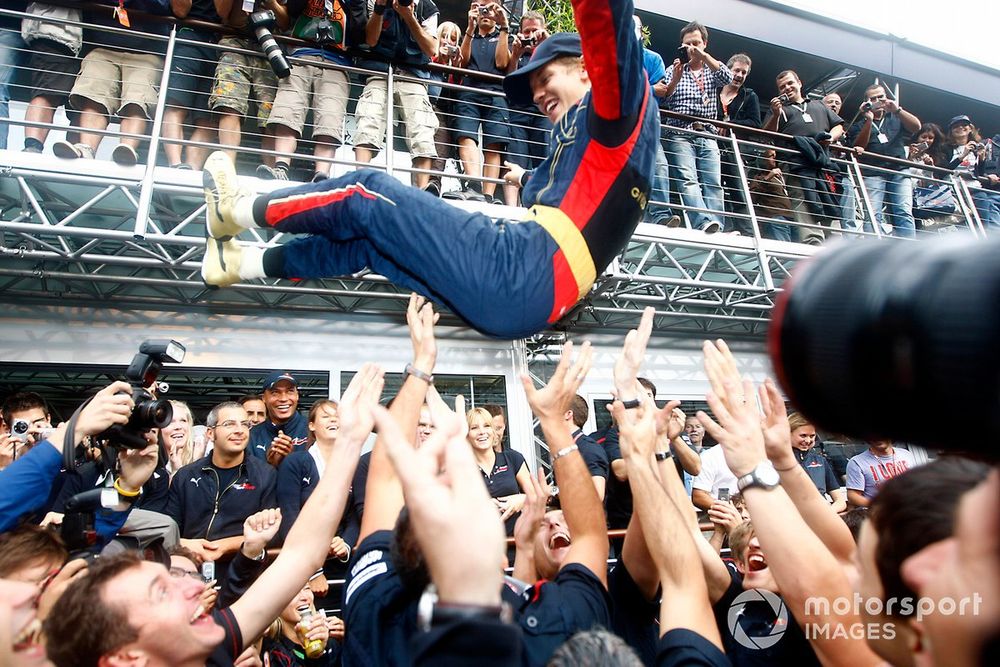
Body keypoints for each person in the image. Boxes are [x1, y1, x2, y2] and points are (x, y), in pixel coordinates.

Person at [201, 0, 659, 341]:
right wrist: (519, 179)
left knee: (367, 193)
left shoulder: (619, 104)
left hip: (525, 268)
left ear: (588, 69)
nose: (538, 95)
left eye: (545, 79)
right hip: (527, 303)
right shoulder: (597, 150)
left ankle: (238, 210)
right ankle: (241, 263)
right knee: (371, 246)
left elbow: (604, 17)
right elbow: (552, 186)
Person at [43, 364, 385, 667]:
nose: (196, 590)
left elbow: (302, 553)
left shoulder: (209, 647)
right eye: (165, 589)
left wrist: (350, 442)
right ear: (128, 658)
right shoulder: (197, 648)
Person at [51, 0, 171, 165]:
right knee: (94, 97)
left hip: (147, 51)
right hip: (103, 47)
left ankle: (127, 150)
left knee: (137, 101)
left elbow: (164, 6)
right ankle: (86, 148)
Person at [164, 401, 278, 571]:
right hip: (190, 568)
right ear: (210, 433)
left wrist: (224, 546)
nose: (239, 430)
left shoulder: (264, 475)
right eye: (229, 424)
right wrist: (186, 543)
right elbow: (169, 526)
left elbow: (272, 534)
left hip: (243, 569)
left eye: (244, 424)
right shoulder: (186, 475)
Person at [256, 0, 356, 182]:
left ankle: (321, 176)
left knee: (329, 120)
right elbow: (290, 14)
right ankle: (280, 168)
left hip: (337, 61)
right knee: (287, 112)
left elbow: (361, 28)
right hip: (300, 54)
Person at [352, 0, 440, 190]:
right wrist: (379, 9)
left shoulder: (427, 7)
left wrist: (409, 16)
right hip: (379, 70)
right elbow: (371, 40)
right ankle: (360, 180)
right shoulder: (375, 1)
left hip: (413, 74)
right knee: (369, 119)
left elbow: (431, 49)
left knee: (422, 130)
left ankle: (423, 188)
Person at [659, 21, 734, 233]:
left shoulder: (711, 67)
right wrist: (676, 76)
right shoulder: (673, 68)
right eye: (687, 44)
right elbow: (666, 96)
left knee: (713, 182)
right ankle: (703, 222)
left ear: (705, 43)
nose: (691, 48)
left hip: (707, 131)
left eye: (696, 43)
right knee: (687, 179)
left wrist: (702, 57)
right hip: (680, 132)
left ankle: (717, 226)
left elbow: (727, 78)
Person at [762, 70, 845, 244]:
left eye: (790, 83)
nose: (787, 88)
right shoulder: (779, 110)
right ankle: (812, 243)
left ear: (799, 82)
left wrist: (830, 137)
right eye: (782, 87)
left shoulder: (819, 105)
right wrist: (776, 114)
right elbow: (768, 135)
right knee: (802, 199)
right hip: (795, 165)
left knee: (828, 199)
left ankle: (834, 245)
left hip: (823, 163)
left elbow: (839, 126)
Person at [453, 1, 510, 202]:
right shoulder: (469, 35)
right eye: (480, 8)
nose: (485, 13)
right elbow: (462, 62)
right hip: (469, 91)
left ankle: (487, 195)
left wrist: (503, 27)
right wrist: (470, 27)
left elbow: (503, 63)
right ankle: (473, 185)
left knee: (493, 143)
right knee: (466, 135)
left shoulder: (502, 34)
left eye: (490, 8)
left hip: (495, 93)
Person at [848, 84, 921, 238]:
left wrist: (897, 109)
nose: (877, 101)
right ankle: (874, 251)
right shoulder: (858, 125)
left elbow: (916, 127)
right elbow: (858, 146)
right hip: (873, 172)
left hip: (899, 170)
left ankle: (909, 251)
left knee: (903, 211)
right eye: (872, 98)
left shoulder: (895, 117)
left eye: (881, 96)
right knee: (873, 214)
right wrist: (868, 120)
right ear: (866, 102)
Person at [18, 3, 82, 155]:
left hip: (84, 39)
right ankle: (33, 148)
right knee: (47, 92)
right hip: (55, 32)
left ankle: (77, 156)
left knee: (85, 102)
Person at [502, 10, 550, 206]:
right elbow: (508, 79)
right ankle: (512, 209)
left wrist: (545, 46)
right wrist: (516, 54)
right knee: (515, 159)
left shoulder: (549, 51)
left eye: (535, 31)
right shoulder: (517, 51)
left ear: (543, 30)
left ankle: (544, 205)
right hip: (518, 112)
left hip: (543, 113)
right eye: (526, 31)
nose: (530, 35)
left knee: (546, 160)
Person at [467, 406, 529, 534]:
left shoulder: (513, 459)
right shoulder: (461, 468)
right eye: (474, 428)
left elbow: (537, 497)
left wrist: (522, 499)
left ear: (493, 431)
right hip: (478, 546)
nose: (482, 432)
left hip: (516, 544)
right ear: (467, 435)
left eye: (487, 426)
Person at [786, 412, 845, 512]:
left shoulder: (820, 460)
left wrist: (828, 513)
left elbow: (840, 501)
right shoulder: (777, 462)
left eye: (812, 436)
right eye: (803, 435)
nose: (808, 440)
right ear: (788, 433)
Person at [248, 371, 310, 466]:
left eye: (290, 391)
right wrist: (269, 466)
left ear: (297, 395)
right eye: (275, 392)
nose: (283, 398)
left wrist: (290, 462)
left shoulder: (313, 431)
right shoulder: (252, 436)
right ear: (264, 398)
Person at [845, 439, 918, 507]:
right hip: (882, 515)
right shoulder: (857, 462)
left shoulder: (906, 454)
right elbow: (853, 496)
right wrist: (881, 507)